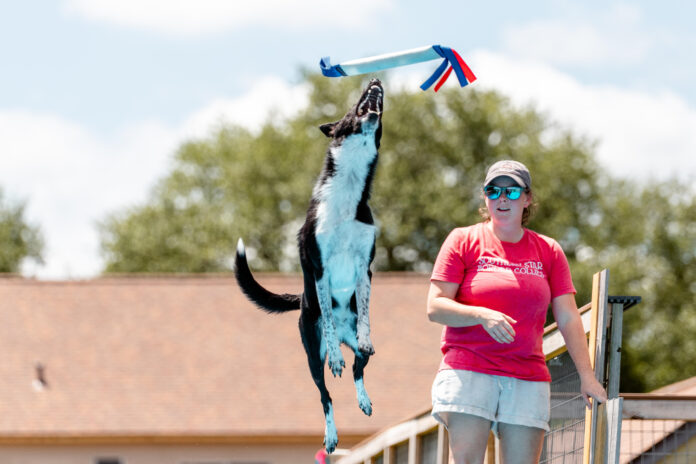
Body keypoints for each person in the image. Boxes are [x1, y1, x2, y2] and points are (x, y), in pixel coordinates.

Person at [427, 160, 608, 464]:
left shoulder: (548, 250)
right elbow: (435, 306)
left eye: (511, 192)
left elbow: (567, 316)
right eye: (493, 190)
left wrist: (587, 376)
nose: (502, 198)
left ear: (526, 199)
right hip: (469, 370)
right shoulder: (463, 240)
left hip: (527, 376)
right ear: (485, 197)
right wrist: (481, 315)